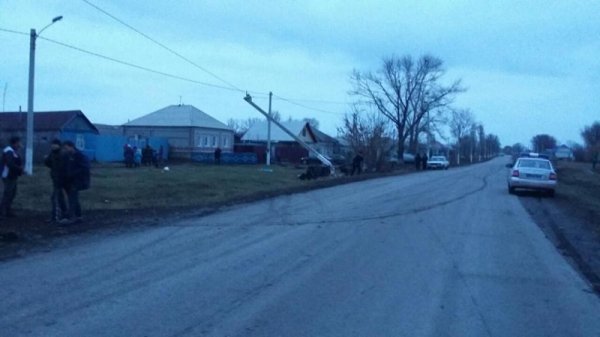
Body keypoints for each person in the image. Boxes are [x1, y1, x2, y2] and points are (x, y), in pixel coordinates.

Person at [59, 141, 90, 225]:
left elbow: (85, 168)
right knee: (73, 198)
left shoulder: (80, 156)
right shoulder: (67, 156)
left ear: (71, 146)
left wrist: (73, 173)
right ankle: (79, 216)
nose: (65, 150)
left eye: (66, 148)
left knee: (72, 198)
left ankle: (71, 217)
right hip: (69, 181)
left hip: (78, 180)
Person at [44, 139, 67, 223]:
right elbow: (48, 163)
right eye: (52, 144)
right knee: (60, 198)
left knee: (55, 198)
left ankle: (55, 217)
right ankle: (64, 214)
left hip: (60, 179)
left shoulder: (62, 154)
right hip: (55, 178)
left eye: (55, 144)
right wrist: (46, 159)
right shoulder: (52, 153)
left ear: (59, 145)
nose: (53, 146)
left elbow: (63, 167)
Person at [0, 137, 24, 218]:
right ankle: (3, 212)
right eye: (19, 143)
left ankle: (7, 210)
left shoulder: (13, 151)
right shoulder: (9, 151)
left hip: (12, 175)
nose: (20, 144)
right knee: (8, 193)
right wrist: (19, 169)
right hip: (7, 175)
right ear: (16, 143)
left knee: (12, 193)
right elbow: (10, 163)